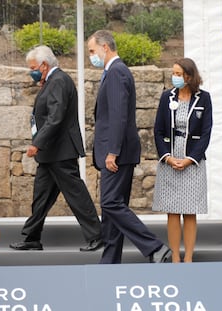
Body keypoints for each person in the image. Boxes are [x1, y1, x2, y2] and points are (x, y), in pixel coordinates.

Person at [87, 30, 171, 264]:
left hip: (117, 153)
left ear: (105, 47)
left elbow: (118, 116)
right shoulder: (114, 71)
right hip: (118, 152)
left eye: (92, 51)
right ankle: (110, 263)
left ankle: (155, 248)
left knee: (110, 203)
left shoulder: (116, 72)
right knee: (113, 209)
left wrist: (112, 151)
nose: (91, 57)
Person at [9, 45, 103, 252]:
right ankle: (31, 237)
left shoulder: (59, 81)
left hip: (60, 152)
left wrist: (37, 143)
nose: (31, 71)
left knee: (76, 195)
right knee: (41, 197)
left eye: (33, 67)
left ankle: (98, 235)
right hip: (51, 153)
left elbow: (55, 117)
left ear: (44, 65)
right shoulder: (52, 81)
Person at [152, 58, 213, 263]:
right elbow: (158, 130)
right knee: (172, 211)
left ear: (189, 76)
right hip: (170, 157)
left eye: (178, 73)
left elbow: (206, 133)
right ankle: (175, 256)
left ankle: (188, 257)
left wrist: (190, 159)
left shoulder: (203, 98)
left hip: (192, 160)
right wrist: (167, 158)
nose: (175, 77)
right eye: (174, 73)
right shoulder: (166, 97)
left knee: (189, 211)